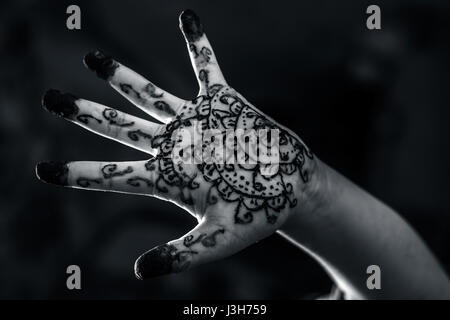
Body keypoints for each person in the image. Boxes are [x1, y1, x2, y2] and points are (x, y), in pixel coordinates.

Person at [35, 9, 450, 299]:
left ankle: (365, 74)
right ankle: (368, 72)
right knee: (340, 132)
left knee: (314, 124)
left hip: (265, 225)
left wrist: (311, 191)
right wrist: (310, 193)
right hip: (282, 260)